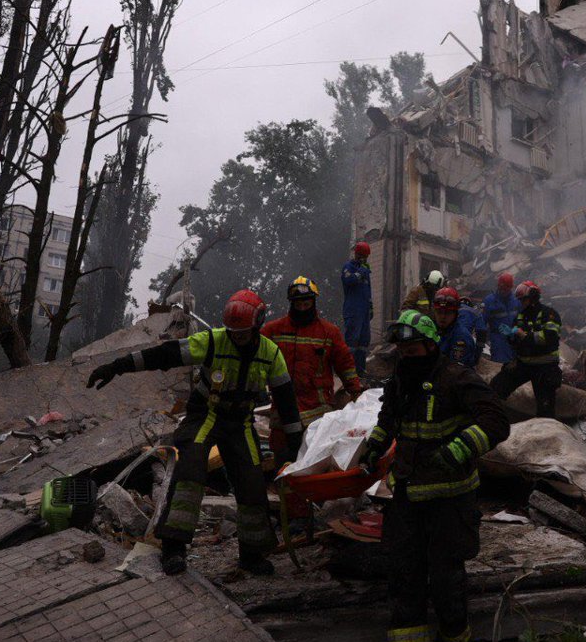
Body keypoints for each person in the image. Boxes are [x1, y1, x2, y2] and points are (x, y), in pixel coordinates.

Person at [86, 289, 302, 577]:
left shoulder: (270, 353)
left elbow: (286, 402)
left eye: (243, 332)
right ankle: (174, 549)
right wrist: (118, 366)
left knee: (252, 485)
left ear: (257, 325)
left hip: (240, 423)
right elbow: (166, 355)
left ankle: (251, 555)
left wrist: (297, 445)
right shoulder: (212, 342)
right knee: (189, 473)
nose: (237, 337)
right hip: (205, 416)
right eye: (233, 332)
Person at [360, 310, 509, 642]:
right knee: (405, 579)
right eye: (403, 349)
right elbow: (387, 422)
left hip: (450, 499)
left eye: (414, 348)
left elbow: (497, 420)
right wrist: (372, 448)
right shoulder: (400, 382)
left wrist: (460, 449)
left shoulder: (458, 378)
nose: (408, 355)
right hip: (407, 497)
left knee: (447, 581)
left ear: (430, 345)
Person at [263, 275, 362, 464]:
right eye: (298, 303)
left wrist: (355, 391)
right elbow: (256, 359)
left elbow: (345, 365)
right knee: (283, 459)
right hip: (282, 409)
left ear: (313, 302)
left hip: (317, 411)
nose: (302, 307)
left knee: (313, 460)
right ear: (291, 303)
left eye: (306, 302)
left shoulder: (329, 332)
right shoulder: (272, 330)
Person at [489, 280, 562, 418]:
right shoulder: (521, 315)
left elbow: (550, 338)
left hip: (545, 367)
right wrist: (511, 335)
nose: (520, 303)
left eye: (523, 300)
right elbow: (515, 342)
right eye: (519, 300)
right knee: (496, 387)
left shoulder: (549, 314)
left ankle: (545, 434)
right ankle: (492, 419)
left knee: (545, 410)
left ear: (533, 297)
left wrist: (524, 335)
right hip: (523, 363)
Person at [342, 242, 373, 377]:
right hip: (353, 310)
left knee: (364, 341)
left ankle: (361, 370)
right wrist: (361, 272)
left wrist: (371, 306)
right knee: (352, 341)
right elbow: (349, 281)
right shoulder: (348, 267)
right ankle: (349, 371)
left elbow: (368, 291)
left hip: (364, 311)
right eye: (362, 256)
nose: (364, 259)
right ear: (357, 254)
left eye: (365, 257)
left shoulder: (365, 271)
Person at [433, 286, 478, 367]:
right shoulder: (441, 331)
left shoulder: (460, 338)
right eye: (439, 312)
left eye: (448, 313)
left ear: (456, 314)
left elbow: (454, 372)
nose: (443, 317)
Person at [483, 273, 520, 364]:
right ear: (498, 286)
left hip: (515, 338)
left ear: (511, 287)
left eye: (506, 288)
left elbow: (522, 321)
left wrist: (514, 331)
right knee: (500, 366)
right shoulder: (489, 301)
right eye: (501, 287)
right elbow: (482, 322)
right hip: (498, 340)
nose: (503, 290)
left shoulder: (517, 301)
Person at [457, 295, 488, 362]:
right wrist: (478, 354)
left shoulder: (452, 310)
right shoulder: (476, 312)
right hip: (466, 341)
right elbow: (482, 332)